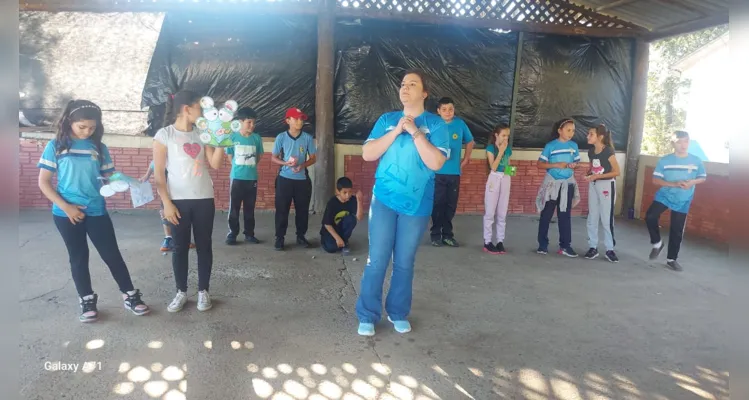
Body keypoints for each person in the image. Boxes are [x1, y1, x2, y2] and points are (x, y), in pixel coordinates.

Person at [37, 99, 150, 322]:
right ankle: (86, 299)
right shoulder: (56, 146)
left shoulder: (98, 147)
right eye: (82, 127)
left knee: (112, 255)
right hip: (66, 213)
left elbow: (110, 174)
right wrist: (67, 207)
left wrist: (133, 181)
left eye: (92, 127)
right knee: (78, 257)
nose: (87, 131)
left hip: (97, 210)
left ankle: (130, 295)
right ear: (69, 121)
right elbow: (44, 182)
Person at [355, 70, 449, 336]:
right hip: (384, 199)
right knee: (377, 259)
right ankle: (367, 314)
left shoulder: (436, 124)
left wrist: (415, 132)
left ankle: (397, 311)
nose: (405, 88)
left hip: (417, 204)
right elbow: (368, 153)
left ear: (424, 93)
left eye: (413, 84)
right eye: (403, 84)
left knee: (404, 261)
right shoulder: (387, 120)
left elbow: (436, 162)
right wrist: (397, 130)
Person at [153, 90, 225, 313]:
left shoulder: (203, 133)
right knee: (179, 247)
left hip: (204, 198)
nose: (202, 113)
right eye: (199, 108)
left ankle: (203, 291)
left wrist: (221, 142)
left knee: (204, 246)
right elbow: (158, 175)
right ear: (187, 109)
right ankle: (181, 292)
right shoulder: (164, 135)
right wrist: (167, 203)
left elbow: (215, 164)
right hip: (178, 202)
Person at [645, 131, 706, 271]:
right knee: (650, 216)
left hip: (683, 199)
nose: (683, 145)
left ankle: (671, 259)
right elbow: (655, 180)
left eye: (686, 141)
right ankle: (657, 243)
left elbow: (702, 177)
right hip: (665, 196)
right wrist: (673, 184)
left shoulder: (696, 160)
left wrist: (692, 183)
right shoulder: (665, 161)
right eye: (679, 141)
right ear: (673, 143)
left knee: (676, 229)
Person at [430, 97, 475, 247]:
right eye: (444, 110)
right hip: (437, 172)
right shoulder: (434, 124)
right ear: (438, 111)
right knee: (437, 204)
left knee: (450, 205)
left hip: (454, 173)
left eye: (451, 109)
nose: (448, 112)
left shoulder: (459, 124)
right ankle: (435, 234)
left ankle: (447, 235)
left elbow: (470, 141)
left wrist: (467, 158)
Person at [271, 107, 317, 251]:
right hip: (284, 179)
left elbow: (313, 158)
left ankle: (301, 236)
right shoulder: (281, 137)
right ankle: (279, 238)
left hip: (302, 180)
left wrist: (302, 165)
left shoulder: (308, 138)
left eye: (301, 119)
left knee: (302, 210)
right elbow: (274, 157)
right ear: (288, 121)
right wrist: (285, 163)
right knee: (282, 210)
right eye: (296, 119)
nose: (299, 122)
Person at [536, 118, 581, 257]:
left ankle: (565, 246)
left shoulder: (574, 146)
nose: (571, 133)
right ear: (560, 130)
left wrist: (574, 165)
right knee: (546, 215)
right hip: (552, 185)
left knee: (564, 215)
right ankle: (542, 245)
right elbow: (540, 164)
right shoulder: (551, 146)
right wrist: (555, 165)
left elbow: (577, 163)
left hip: (567, 184)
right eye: (568, 130)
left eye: (573, 130)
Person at [225, 107, 264, 245]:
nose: (252, 126)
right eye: (249, 122)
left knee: (250, 207)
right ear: (240, 122)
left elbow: (258, 157)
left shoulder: (256, 138)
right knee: (234, 208)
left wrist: (249, 168)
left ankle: (249, 234)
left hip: (251, 179)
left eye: (254, 123)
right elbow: (230, 157)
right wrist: (239, 168)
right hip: (236, 178)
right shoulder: (233, 138)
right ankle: (232, 233)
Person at [584, 124, 621, 263]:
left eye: (591, 134)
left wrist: (597, 177)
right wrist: (588, 174)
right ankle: (592, 246)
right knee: (592, 216)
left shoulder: (608, 151)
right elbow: (592, 168)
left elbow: (616, 172)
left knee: (606, 218)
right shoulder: (591, 152)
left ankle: (609, 249)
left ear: (600, 136)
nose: (588, 136)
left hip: (606, 185)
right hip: (594, 185)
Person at [139, 160, 195, 252]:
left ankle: (170, 239)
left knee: (169, 213)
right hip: (173, 193)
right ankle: (172, 239)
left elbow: (153, 164)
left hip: (169, 193)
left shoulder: (160, 159)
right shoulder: (169, 159)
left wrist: (146, 176)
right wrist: (146, 176)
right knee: (174, 213)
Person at [483, 123, 513, 255]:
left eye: (507, 136)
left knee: (502, 212)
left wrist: (510, 173)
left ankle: (500, 240)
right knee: (490, 212)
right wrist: (500, 152)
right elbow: (493, 167)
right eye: (503, 135)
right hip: (494, 178)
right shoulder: (491, 148)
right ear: (496, 135)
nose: (506, 138)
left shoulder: (508, 149)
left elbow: (509, 166)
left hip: (505, 179)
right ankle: (487, 241)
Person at [320, 177, 364, 255]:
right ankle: (332, 241)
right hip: (330, 231)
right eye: (345, 192)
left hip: (341, 228)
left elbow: (359, 218)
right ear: (338, 192)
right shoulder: (332, 203)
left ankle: (344, 241)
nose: (348, 195)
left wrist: (359, 201)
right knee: (331, 248)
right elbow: (327, 224)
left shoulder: (352, 200)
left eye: (350, 192)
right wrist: (337, 238)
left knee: (351, 219)